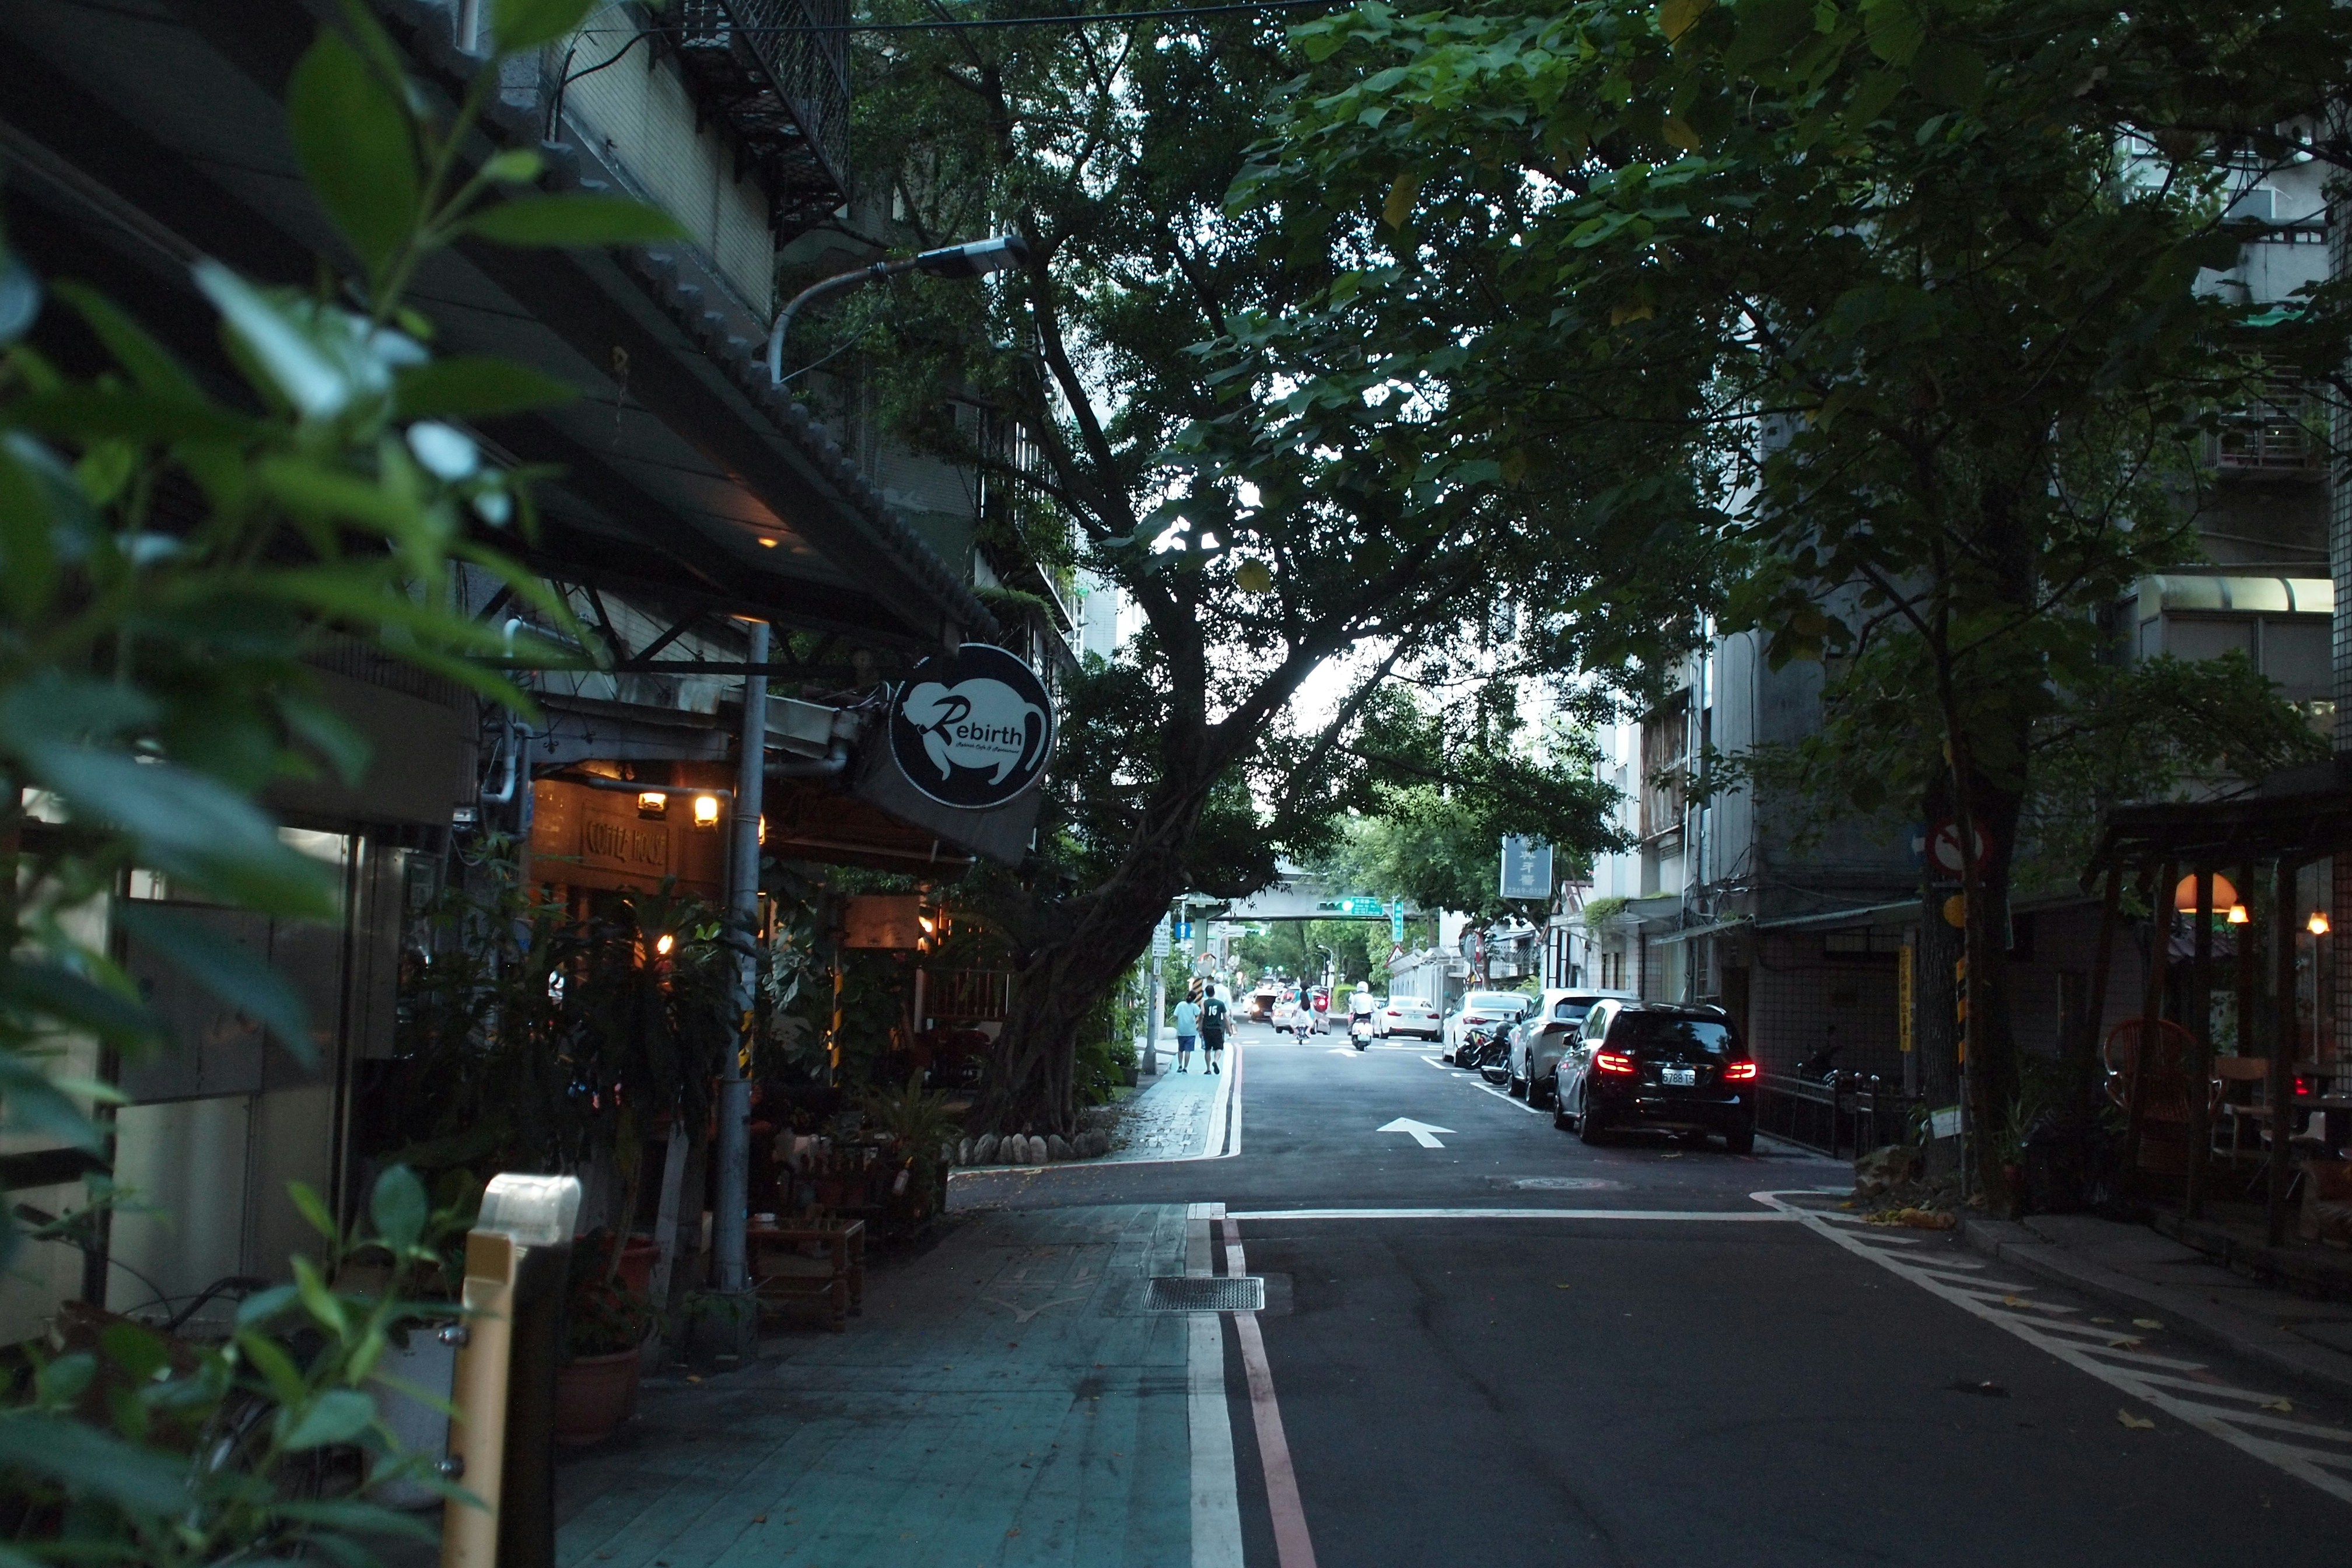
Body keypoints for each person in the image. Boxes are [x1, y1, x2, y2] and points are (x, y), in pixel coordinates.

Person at [1200, 983, 1228, 1074]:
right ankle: (1216, 1060)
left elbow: (1202, 1016)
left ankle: (1208, 1069)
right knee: (1219, 1048)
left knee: (1207, 1049)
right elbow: (1226, 1017)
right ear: (1214, 993)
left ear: (1207, 993)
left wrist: (1200, 1029)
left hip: (1206, 1028)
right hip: (1217, 1028)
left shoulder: (1204, 1003)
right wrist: (1229, 1029)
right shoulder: (1220, 1004)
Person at [1172, 985, 1201, 1073]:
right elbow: (1199, 1014)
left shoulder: (1180, 1005)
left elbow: (1175, 1016)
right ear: (1194, 999)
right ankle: (1185, 1068)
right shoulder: (1194, 1006)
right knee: (1188, 1051)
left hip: (1181, 1031)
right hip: (1191, 1032)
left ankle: (1180, 1066)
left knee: (1180, 1050)